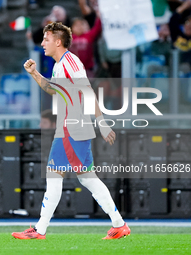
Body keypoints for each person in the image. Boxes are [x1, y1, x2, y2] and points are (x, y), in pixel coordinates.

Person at [12, 22, 130, 240]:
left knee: (54, 175)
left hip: (72, 127)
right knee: (88, 178)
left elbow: (87, 91)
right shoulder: (60, 65)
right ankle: (119, 225)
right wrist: (34, 73)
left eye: (46, 39)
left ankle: (39, 230)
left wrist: (102, 123)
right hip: (75, 127)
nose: (42, 43)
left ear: (58, 42)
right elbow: (52, 90)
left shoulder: (71, 62)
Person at [169, 0, 191, 67]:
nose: (189, 26)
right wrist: (184, 6)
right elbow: (173, 20)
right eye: (187, 23)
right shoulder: (177, 34)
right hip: (175, 67)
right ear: (184, 25)